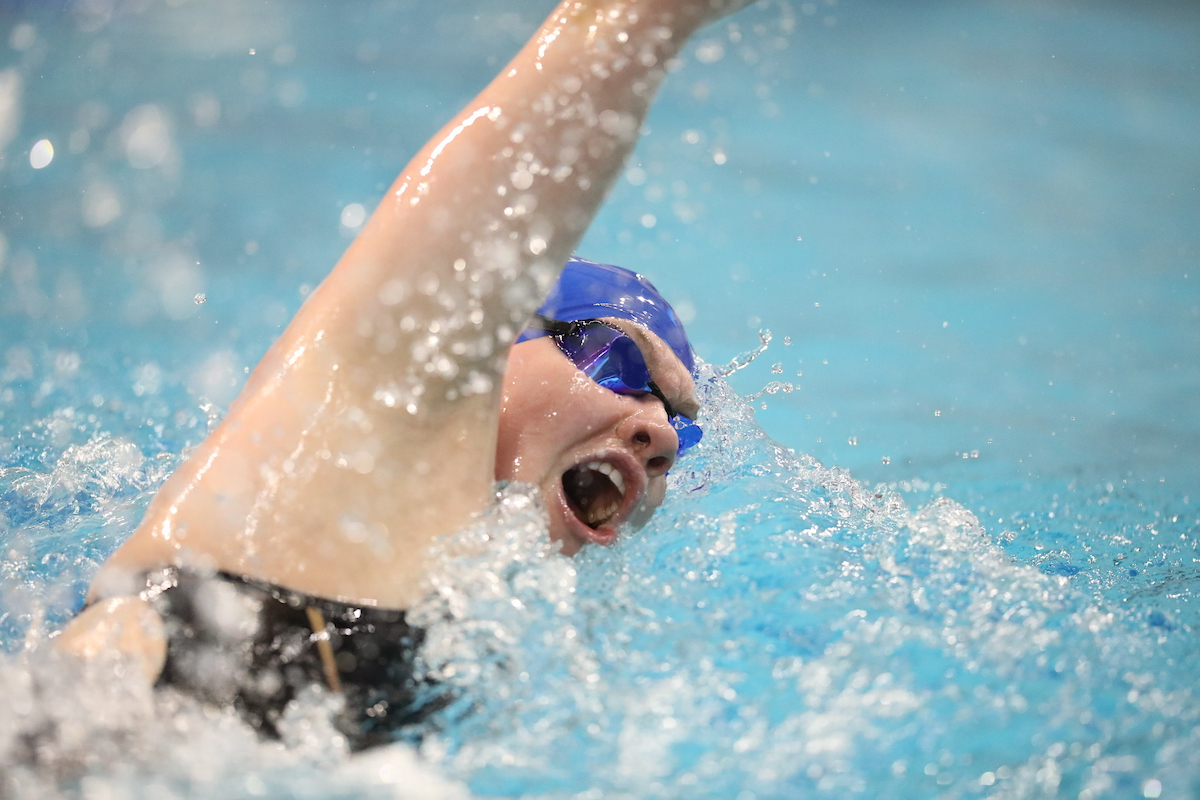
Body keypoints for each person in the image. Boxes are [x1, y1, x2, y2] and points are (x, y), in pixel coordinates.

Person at [56, 0, 752, 749]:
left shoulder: (468, 642)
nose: (657, 438)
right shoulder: (334, 456)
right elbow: (497, 208)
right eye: (616, 361)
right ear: (495, 340)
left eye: (678, 426)